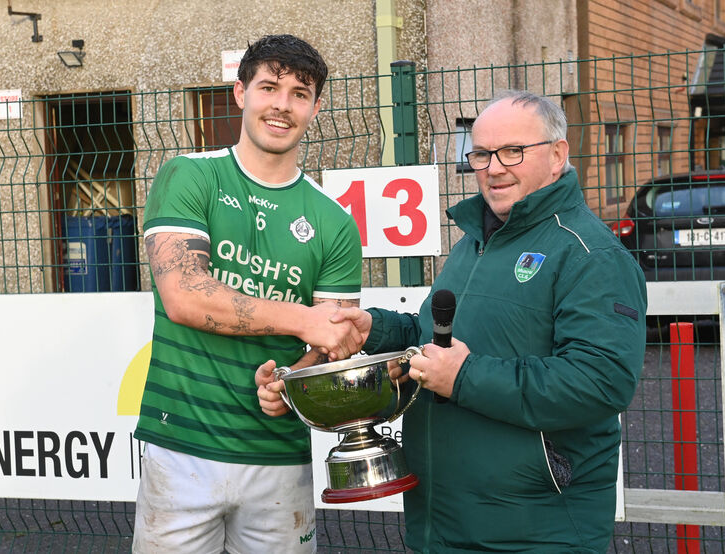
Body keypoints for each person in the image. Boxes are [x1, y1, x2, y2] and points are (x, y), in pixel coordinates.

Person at [259, 90, 647, 552]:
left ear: (558, 154)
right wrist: (373, 329)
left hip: (535, 531)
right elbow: (435, 343)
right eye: (481, 153)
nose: (494, 167)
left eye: (513, 152)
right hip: (441, 523)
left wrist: (464, 377)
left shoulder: (590, 254)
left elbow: (601, 382)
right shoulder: (477, 242)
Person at [133, 34, 363, 554]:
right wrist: (300, 319)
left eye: (299, 93)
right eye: (269, 87)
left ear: (315, 107)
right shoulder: (189, 176)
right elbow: (185, 296)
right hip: (182, 447)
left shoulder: (335, 221)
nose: (282, 105)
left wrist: (291, 379)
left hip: (278, 458)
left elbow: (334, 341)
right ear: (241, 93)